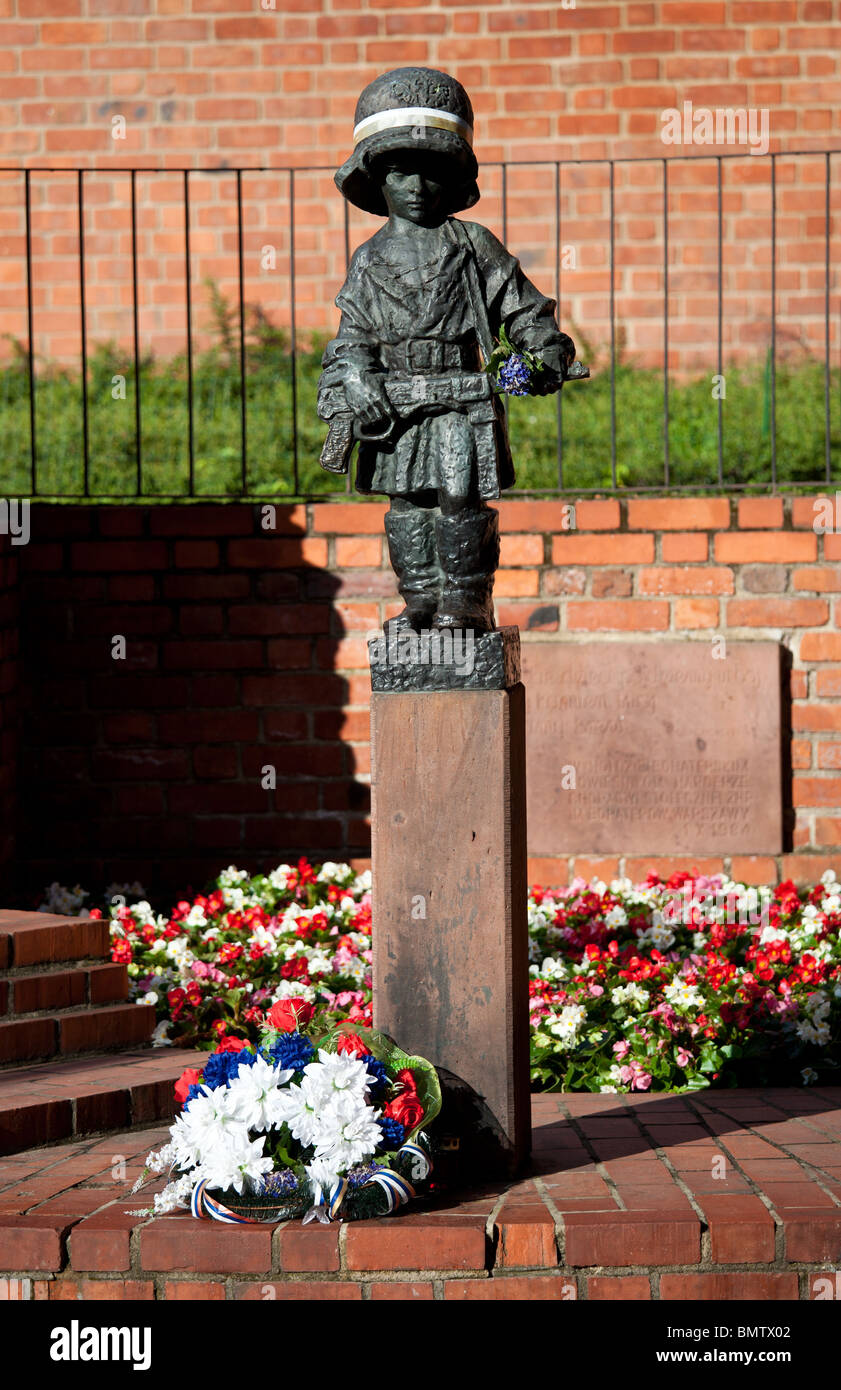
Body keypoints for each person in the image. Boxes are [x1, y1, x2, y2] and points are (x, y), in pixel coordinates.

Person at [318, 66, 577, 634]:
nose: (415, 188)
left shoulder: (473, 244)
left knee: (460, 497)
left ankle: (463, 600)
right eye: (399, 174)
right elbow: (350, 341)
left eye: (431, 174)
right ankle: (419, 599)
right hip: (397, 408)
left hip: (463, 399)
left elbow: (525, 309)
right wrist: (358, 380)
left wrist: (542, 353)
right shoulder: (368, 260)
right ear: (377, 180)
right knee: (407, 503)